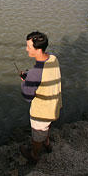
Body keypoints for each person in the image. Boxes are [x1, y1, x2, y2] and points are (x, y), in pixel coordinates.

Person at [19, 31, 62, 164]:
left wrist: (24, 81)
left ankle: (34, 156)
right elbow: (41, 76)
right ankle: (48, 145)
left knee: (37, 136)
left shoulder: (34, 74)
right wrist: (29, 75)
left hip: (42, 112)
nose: (26, 49)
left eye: (29, 47)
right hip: (54, 106)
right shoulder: (53, 58)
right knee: (45, 128)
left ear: (37, 50)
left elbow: (27, 96)